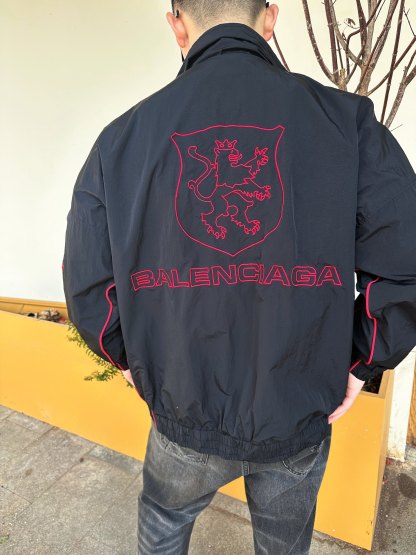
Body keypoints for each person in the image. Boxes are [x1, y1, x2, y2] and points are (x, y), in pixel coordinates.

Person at [62, 1, 416, 553]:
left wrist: (130, 361)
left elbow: (88, 281)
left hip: (183, 406)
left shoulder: (122, 139)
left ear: (177, 25)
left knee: (163, 523)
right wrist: (360, 364)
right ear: (270, 19)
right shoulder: (348, 123)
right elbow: (403, 262)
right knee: (283, 544)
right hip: (297, 408)